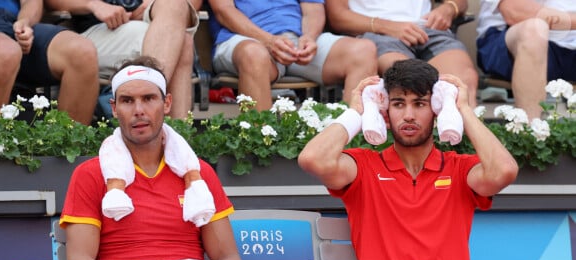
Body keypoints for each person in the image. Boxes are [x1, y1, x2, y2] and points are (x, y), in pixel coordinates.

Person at [298, 59, 570, 260]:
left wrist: (462, 109)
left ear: (437, 110)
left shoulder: (458, 167)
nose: (409, 115)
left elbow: (503, 172)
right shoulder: (364, 165)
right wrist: (356, 111)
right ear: (385, 112)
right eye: (399, 103)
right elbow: (313, 159)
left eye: (420, 103)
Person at [58, 56, 300, 260]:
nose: (139, 110)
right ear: (114, 109)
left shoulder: (199, 172)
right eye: (127, 100)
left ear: (167, 103)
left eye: (148, 98)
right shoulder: (90, 174)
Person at [207, 0, 378, 111]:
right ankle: (259, 152)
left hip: (296, 38)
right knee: (254, 55)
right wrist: (268, 40)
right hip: (242, 39)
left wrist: (309, 37)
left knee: (364, 51)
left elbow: (313, 9)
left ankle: (349, 150)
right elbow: (224, 11)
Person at [45, 0, 200, 119]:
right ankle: (170, 133)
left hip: (151, 22)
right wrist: (94, 4)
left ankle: (168, 131)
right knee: (181, 42)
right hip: (96, 32)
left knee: (176, 5)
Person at [324, 0, 479, 107]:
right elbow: (337, 17)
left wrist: (448, 9)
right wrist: (388, 26)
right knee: (407, 79)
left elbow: (461, 2)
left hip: (428, 27)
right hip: (376, 32)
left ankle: (461, 149)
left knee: (463, 81)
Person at [0, 0, 98, 124]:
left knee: (82, 53)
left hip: (10, 22)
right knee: (4, 51)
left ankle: (67, 141)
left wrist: (24, 22)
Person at [477, 0, 576, 121]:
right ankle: (530, 131)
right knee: (534, 28)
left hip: (570, 45)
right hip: (509, 40)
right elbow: (514, 11)